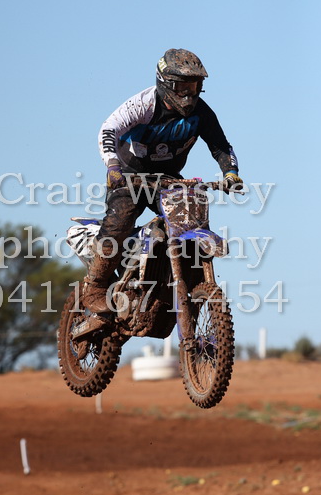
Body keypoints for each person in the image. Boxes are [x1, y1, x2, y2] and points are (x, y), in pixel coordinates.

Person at [82, 48, 243, 313]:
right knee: (120, 222)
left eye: (194, 86)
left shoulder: (202, 113)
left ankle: (184, 286)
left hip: (168, 180)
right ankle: (95, 287)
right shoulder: (143, 104)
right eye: (182, 86)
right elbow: (109, 129)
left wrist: (231, 174)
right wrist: (112, 166)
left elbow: (220, 145)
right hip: (130, 177)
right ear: (165, 83)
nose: (189, 94)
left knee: (192, 221)